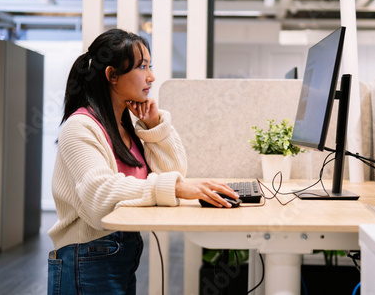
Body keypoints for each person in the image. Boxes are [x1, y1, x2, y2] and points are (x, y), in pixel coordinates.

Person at [47, 29, 238, 295]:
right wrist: (175, 188)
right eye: (142, 67)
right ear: (112, 75)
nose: (152, 76)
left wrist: (153, 126)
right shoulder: (80, 127)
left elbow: (174, 172)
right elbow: (99, 196)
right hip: (87, 258)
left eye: (150, 66)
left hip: (119, 254)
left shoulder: (125, 127)